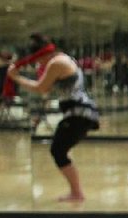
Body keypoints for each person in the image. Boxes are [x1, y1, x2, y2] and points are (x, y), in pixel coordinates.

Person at [7, 33, 99, 201]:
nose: (39, 63)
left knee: (58, 150)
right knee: (60, 150)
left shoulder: (56, 63)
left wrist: (16, 78)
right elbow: (47, 89)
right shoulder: (63, 59)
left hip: (79, 112)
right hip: (79, 112)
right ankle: (76, 192)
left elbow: (41, 88)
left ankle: (77, 193)